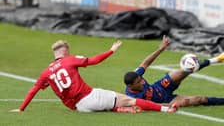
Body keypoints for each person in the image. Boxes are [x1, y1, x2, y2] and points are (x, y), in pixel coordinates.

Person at [10, 40, 177, 113]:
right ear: (65, 51)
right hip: (89, 98)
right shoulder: (69, 60)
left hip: (78, 108)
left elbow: (34, 89)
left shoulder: (46, 72)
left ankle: (118, 110)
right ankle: (166, 109)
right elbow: (95, 60)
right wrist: (112, 50)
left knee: (109, 102)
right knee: (129, 99)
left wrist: (21, 108)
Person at [123, 36, 224, 108]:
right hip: (166, 101)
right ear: (130, 85)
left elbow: (146, 63)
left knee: (186, 70)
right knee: (198, 99)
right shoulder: (132, 97)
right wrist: (169, 106)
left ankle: (215, 59)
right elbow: (152, 107)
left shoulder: (136, 75)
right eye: (138, 82)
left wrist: (160, 49)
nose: (141, 82)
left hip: (160, 86)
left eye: (140, 79)